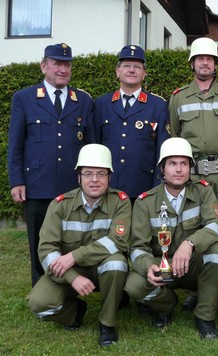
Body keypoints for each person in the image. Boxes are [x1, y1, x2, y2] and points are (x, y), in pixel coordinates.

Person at [8, 43, 95, 287]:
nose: (62, 69)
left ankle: (70, 286)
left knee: (71, 240)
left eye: (67, 64)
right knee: (38, 239)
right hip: (37, 184)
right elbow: (16, 144)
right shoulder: (24, 98)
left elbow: (90, 147)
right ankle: (40, 287)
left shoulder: (83, 100)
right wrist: (17, 180)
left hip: (72, 186)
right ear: (44, 66)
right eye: (57, 63)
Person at [124, 137, 218, 339]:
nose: (179, 169)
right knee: (133, 286)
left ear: (190, 167)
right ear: (162, 168)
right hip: (162, 267)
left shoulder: (204, 191)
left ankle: (205, 316)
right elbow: (137, 247)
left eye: (184, 163)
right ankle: (166, 304)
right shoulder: (144, 202)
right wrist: (148, 267)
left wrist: (190, 243)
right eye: (172, 163)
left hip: (192, 265)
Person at [27, 144, 131, 347]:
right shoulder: (60, 205)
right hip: (66, 271)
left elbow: (118, 241)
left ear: (109, 177)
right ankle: (75, 312)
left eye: (101, 174)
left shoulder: (121, 202)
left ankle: (107, 323)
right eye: (88, 174)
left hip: (101, 269)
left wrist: (74, 256)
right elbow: (47, 250)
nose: (94, 180)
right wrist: (72, 277)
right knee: (39, 304)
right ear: (78, 177)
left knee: (117, 264)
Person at [168, 37, 218, 311]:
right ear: (192, 64)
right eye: (200, 59)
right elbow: (175, 136)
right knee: (196, 229)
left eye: (210, 58)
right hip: (193, 177)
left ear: (216, 64)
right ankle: (199, 288)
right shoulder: (178, 98)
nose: (205, 62)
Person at [94, 44, 170, 202]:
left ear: (144, 74)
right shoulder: (101, 104)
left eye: (137, 66)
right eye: (126, 65)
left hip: (143, 189)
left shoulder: (158, 106)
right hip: (108, 188)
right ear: (117, 71)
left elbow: (162, 151)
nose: (131, 70)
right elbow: (94, 147)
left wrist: (157, 187)